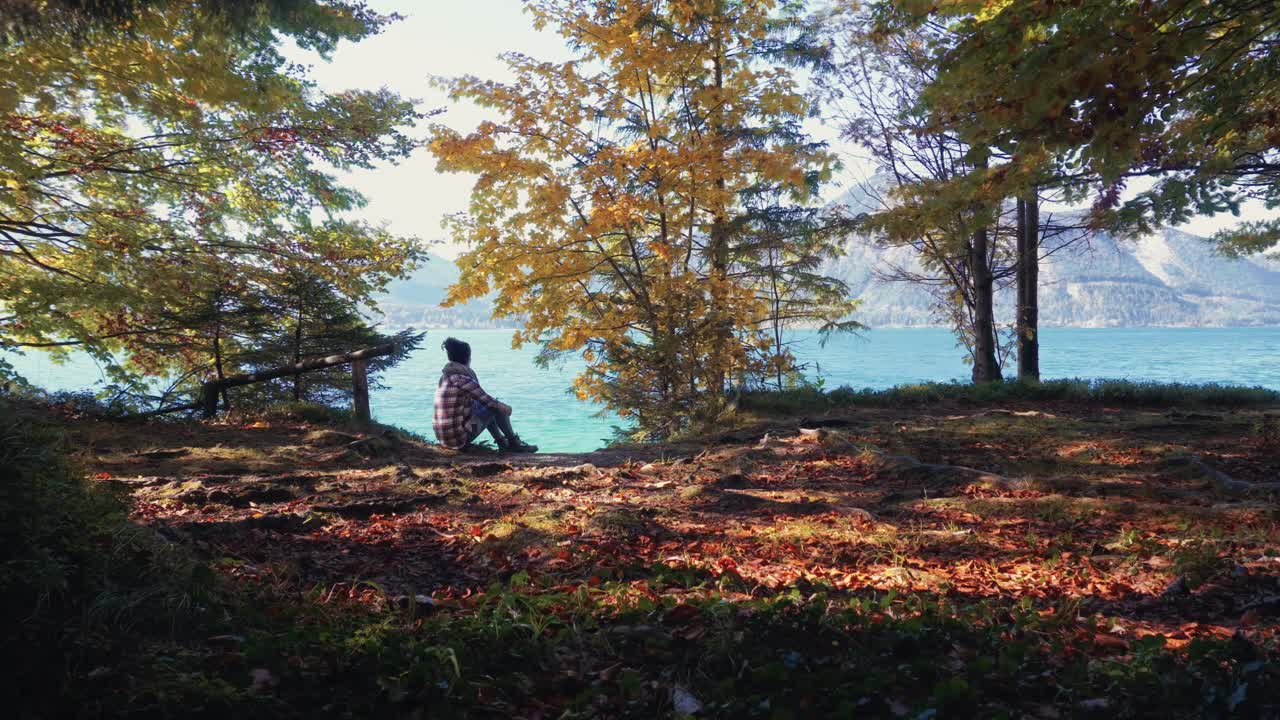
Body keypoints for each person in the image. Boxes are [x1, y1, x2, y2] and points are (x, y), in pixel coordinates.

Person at [432, 337, 537, 453]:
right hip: (459, 440)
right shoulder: (463, 379)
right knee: (494, 407)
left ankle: (502, 443)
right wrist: (505, 408)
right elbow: (489, 402)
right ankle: (513, 443)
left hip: (444, 438)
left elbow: (479, 403)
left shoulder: (445, 377)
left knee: (485, 408)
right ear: (467, 358)